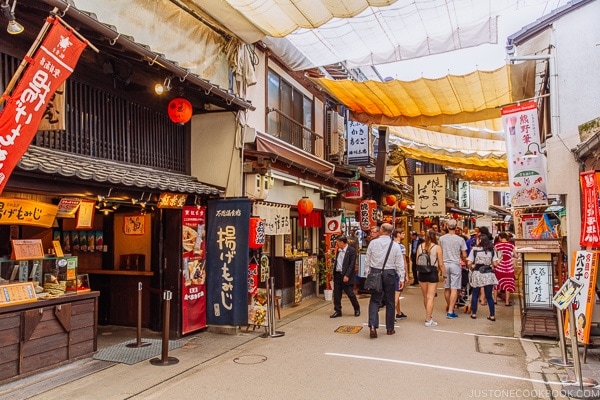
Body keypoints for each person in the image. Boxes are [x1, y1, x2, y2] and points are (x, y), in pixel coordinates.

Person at [365, 223, 405, 338]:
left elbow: (368, 259)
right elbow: (399, 263)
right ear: (391, 232)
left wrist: (368, 273)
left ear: (381, 231)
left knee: (374, 300)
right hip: (390, 273)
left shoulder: (373, 243)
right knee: (390, 301)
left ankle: (372, 325)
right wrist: (401, 277)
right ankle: (390, 328)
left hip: (375, 272)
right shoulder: (395, 245)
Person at [438, 219, 467, 319]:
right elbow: (464, 254)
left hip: (445, 264)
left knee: (447, 287)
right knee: (454, 288)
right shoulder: (460, 240)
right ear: (456, 227)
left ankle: (450, 307)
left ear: (447, 226)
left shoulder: (441, 239)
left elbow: (439, 252)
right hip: (455, 264)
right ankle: (450, 310)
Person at [467, 234, 499, 321]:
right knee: (489, 296)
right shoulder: (491, 251)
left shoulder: (474, 250)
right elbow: (495, 264)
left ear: (480, 240)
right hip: (488, 274)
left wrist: (472, 266)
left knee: (475, 294)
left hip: (477, 273)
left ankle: (474, 313)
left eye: (478, 239)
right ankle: (492, 315)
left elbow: (469, 262)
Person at [417, 229, 444, 327]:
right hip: (432, 271)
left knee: (425, 296)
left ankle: (429, 315)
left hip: (422, 272)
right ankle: (428, 319)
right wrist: (444, 274)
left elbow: (417, 260)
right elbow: (440, 264)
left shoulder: (420, 246)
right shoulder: (437, 247)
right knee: (430, 297)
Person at [330, 235, 361, 318]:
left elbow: (351, 264)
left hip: (347, 275)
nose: (337, 244)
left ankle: (356, 308)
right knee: (337, 294)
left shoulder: (351, 250)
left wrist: (347, 275)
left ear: (342, 242)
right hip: (337, 274)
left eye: (338, 242)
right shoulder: (338, 250)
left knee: (350, 293)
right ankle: (337, 310)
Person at [494, 232, 516, 306]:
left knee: (496, 283)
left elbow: (495, 255)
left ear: (500, 237)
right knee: (508, 284)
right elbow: (515, 255)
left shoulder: (497, 245)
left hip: (499, 266)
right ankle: (507, 302)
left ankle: (495, 300)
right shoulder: (511, 245)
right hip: (509, 267)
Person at [393, 229, 408, 320]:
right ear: (398, 234)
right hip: (398, 272)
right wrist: (405, 274)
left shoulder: (389, 245)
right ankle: (391, 315)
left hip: (390, 270)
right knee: (397, 293)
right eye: (402, 233)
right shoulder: (401, 246)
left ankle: (398, 312)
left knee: (395, 293)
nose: (404, 234)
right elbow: (403, 261)